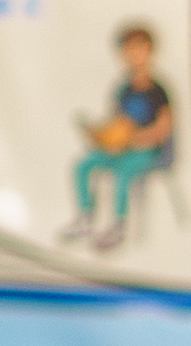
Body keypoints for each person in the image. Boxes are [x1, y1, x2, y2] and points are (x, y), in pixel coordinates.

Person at [63, 21, 174, 247]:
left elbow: (163, 129)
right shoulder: (123, 89)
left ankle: (118, 226)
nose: (134, 55)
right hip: (121, 146)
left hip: (147, 150)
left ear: (150, 51)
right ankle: (86, 218)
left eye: (139, 49)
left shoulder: (157, 90)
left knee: (122, 174)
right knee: (83, 165)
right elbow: (117, 122)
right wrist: (102, 135)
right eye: (129, 50)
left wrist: (136, 139)